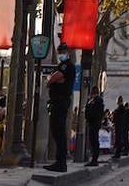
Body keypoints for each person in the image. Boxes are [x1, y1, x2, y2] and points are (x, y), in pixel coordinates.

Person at [45, 42, 75, 172]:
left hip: (60, 101)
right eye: (59, 52)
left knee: (59, 132)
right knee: (56, 131)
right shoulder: (61, 65)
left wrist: (51, 79)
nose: (60, 54)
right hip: (57, 101)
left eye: (62, 52)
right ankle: (59, 161)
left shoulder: (66, 65)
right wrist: (53, 78)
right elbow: (54, 77)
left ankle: (61, 163)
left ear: (67, 52)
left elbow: (54, 77)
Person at [84, 87, 105, 166]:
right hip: (94, 122)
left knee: (94, 141)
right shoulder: (96, 101)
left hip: (94, 123)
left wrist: (88, 112)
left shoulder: (96, 101)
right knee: (93, 140)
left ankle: (94, 159)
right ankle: (94, 158)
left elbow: (93, 112)